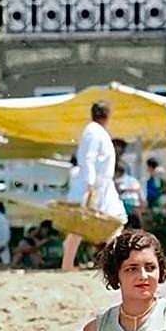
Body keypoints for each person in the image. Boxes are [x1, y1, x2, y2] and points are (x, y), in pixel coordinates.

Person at [62, 101, 126, 271]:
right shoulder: (93, 132)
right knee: (81, 225)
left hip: (102, 186)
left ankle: (114, 262)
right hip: (93, 185)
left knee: (115, 222)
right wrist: (90, 185)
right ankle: (68, 263)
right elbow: (88, 159)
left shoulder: (96, 132)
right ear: (107, 115)